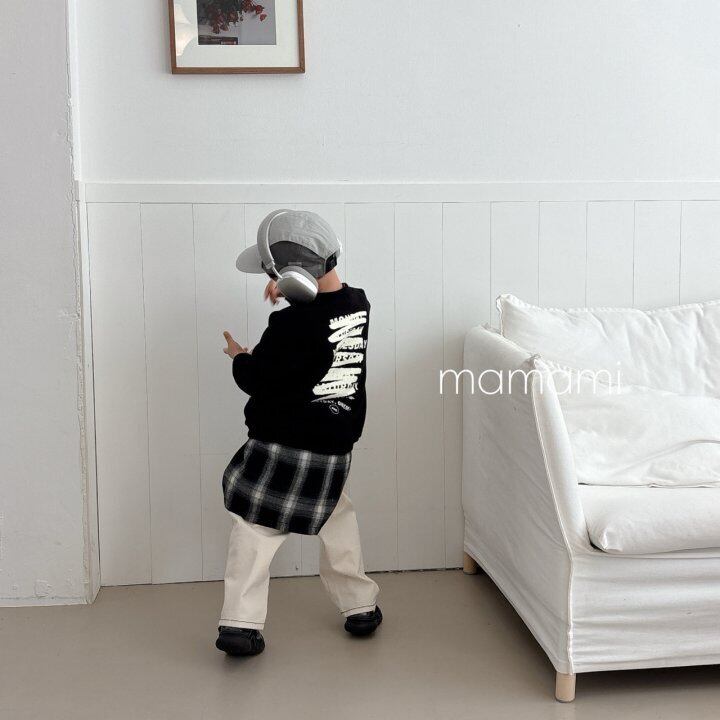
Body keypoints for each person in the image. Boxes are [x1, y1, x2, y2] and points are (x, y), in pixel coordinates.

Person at [216, 209, 381, 656]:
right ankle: (360, 606)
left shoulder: (288, 325)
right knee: (337, 520)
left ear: (291, 278)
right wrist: (293, 291)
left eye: (274, 275)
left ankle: (240, 624)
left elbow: (259, 378)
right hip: (333, 450)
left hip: (282, 447)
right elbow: (321, 338)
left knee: (255, 529)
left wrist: (240, 357)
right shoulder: (357, 306)